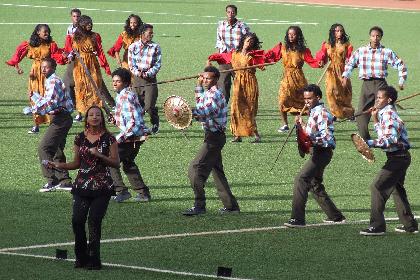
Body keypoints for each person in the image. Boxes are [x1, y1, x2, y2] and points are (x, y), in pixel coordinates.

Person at [46, 105, 120, 269]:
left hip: (102, 187)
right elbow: (76, 163)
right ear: (86, 118)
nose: (94, 117)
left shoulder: (109, 138)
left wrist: (99, 154)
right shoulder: (79, 138)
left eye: (98, 115)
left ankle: (94, 260)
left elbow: (116, 163)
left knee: (94, 221)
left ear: (102, 118)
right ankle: (81, 257)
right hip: (82, 185)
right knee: (77, 221)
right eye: (91, 115)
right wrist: (57, 165)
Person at [284, 84, 345, 227]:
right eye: (305, 99)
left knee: (301, 179)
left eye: (309, 99)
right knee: (314, 183)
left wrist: (310, 141)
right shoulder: (313, 112)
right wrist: (301, 124)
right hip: (317, 152)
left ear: (318, 97)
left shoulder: (321, 113)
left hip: (322, 153)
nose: (306, 102)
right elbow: (311, 132)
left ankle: (297, 219)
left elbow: (327, 139)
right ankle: (335, 216)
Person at [360, 86, 418, 236]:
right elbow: (384, 133)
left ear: (389, 100)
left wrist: (369, 143)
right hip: (399, 157)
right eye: (377, 98)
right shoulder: (384, 113)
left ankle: (377, 226)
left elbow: (390, 140)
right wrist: (375, 119)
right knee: (397, 189)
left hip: (398, 159)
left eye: (380, 98)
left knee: (377, 187)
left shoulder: (389, 115)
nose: (376, 100)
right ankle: (410, 225)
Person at [183, 66, 240, 216]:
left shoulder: (215, 95)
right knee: (217, 172)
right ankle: (231, 206)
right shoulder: (207, 93)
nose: (206, 81)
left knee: (194, 169)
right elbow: (200, 99)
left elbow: (204, 111)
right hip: (211, 135)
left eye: (208, 78)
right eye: (204, 78)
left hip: (214, 138)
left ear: (216, 79)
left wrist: (185, 113)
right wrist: (198, 84)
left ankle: (199, 205)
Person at [342, 26, 407, 140]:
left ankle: (393, 136)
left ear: (381, 37)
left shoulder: (387, 52)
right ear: (369, 37)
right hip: (366, 85)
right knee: (360, 114)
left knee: (388, 112)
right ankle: (366, 140)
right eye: (373, 36)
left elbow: (400, 64)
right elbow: (350, 63)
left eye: (378, 36)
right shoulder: (361, 51)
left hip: (381, 85)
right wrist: (345, 76)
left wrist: (401, 80)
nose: (375, 38)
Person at [6, 24, 66, 134]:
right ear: (38, 32)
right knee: (34, 97)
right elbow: (19, 55)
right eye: (45, 32)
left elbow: (57, 56)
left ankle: (52, 125)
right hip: (34, 74)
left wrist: (65, 57)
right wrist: (17, 67)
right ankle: (36, 125)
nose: (47, 34)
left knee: (48, 98)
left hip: (47, 72)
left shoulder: (51, 44)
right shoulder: (30, 44)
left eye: (48, 31)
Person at [208, 32, 265, 143]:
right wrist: (210, 58)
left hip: (250, 84)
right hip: (238, 82)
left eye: (252, 42)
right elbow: (221, 56)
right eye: (248, 41)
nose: (249, 43)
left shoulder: (253, 55)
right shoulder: (234, 54)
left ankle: (256, 134)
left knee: (249, 109)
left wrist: (263, 61)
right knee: (235, 108)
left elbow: (264, 60)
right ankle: (237, 135)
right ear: (243, 41)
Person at [264, 26, 321, 133]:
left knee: (305, 103)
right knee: (282, 100)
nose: (291, 36)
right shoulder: (283, 48)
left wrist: (319, 63)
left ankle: (309, 124)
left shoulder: (303, 50)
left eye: (293, 34)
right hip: (286, 78)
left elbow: (312, 61)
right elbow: (273, 57)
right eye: (289, 34)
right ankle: (285, 124)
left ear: (298, 36)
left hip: (299, 79)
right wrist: (264, 59)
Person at [30, 58, 74, 192]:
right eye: (42, 67)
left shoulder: (53, 81)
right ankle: (65, 181)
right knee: (57, 149)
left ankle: (52, 180)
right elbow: (50, 100)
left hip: (61, 119)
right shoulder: (50, 80)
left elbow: (51, 104)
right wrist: (35, 97)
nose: (43, 69)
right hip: (62, 118)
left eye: (47, 67)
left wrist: (34, 109)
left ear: (53, 68)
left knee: (44, 148)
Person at [108, 68, 151, 203]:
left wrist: (117, 139)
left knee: (110, 161)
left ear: (126, 83)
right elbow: (125, 117)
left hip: (133, 136)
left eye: (118, 81)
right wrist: (115, 119)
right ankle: (143, 193)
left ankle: (121, 191)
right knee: (128, 163)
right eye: (113, 81)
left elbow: (134, 123)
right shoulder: (121, 95)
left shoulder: (127, 96)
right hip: (133, 136)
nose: (114, 84)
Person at [64, 15, 115, 122]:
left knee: (96, 87)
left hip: (92, 64)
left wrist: (106, 67)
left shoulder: (95, 36)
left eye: (91, 22)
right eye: (87, 23)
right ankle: (80, 113)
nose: (90, 25)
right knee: (81, 88)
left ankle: (101, 111)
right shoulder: (73, 37)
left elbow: (100, 52)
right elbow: (68, 51)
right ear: (81, 24)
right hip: (79, 66)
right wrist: (68, 56)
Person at [316, 23, 355, 119]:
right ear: (333, 32)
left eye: (341, 31)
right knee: (330, 91)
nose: (339, 33)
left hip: (342, 69)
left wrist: (348, 60)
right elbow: (324, 57)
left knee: (344, 91)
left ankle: (349, 112)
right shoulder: (327, 45)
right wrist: (321, 62)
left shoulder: (347, 45)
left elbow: (350, 57)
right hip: (331, 70)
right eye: (337, 31)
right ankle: (335, 113)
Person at [128, 24, 162, 134]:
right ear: (142, 33)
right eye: (149, 33)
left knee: (149, 106)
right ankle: (139, 126)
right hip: (137, 80)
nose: (151, 35)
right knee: (137, 106)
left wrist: (148, 73)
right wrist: (138, 73)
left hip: (150, 80)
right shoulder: (133, 47)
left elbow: (157, 64)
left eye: (152, 33)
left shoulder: (155, 47)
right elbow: (131, 64)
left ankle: (155, 121)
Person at [215, 4, 250, 103]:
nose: (231, 14)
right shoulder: (221, 25)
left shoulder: (242, 26)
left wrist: (244, 52)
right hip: (224, 58)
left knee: (240, 83)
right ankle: (223, 107)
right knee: (223, 84)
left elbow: (249, 39)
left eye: (233, 12)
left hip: (238, 58)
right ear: (226, 13)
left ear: (236, 13)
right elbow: (218, 42)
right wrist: (218, 56)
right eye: (229, 12)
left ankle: (242, 106)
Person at [63, 8, 81, 110]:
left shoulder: (82, 28)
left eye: (78, 16)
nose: (76, 18)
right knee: (67, 82)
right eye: (74, 16)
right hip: (73, 58)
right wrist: (68, 54)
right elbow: (68, 43)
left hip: (81, 58)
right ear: (71, 17)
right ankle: (74, 105)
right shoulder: (69, 28)